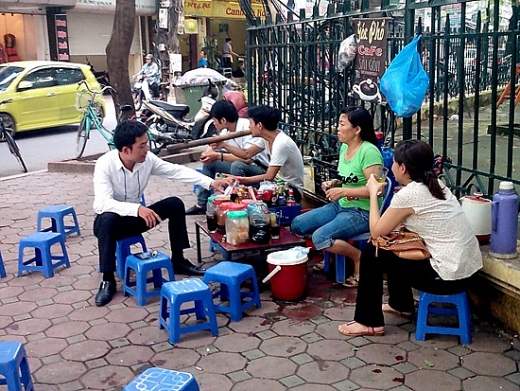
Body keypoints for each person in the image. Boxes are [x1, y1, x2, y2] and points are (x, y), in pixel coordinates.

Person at [338, 140, 483, 337]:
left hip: (447, 278)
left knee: (373, 252)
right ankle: (401, 305)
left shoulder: (410, 194)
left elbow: (376, 232)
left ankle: (368, 322)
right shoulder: (436, 184)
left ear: (403, 168)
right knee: (394, 245)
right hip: (469, 271)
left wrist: (373, 194)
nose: (391, 167)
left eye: (395, 163)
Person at [92, 121, 232, 306]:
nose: (146, 149)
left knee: (174, 204)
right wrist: (137, 209)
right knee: (108, 218)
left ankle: (179, 260)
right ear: (126, 150)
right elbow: (102, 203)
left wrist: (209, 183)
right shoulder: (105, 164)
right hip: (109, 226)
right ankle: (107, 279)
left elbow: (175, 170)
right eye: (142, 146)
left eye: (147, 144)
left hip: (136, 220)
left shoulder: (147, 160)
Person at [290, 107, 383, 287]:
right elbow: (350, 179)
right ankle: (332, 252)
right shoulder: (344, 148)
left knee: (319, 237)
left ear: (357, 130)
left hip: (362, 211)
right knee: (297, 224)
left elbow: (377, 190)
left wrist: (344, 191)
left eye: (342, 124)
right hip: (341, 205)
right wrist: (335, 183)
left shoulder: (369, 152)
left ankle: (358, 258)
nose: (337, 129)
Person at [186, 100, 270, 215]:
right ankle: (201, 204)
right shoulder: (226, 130)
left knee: (237, 166)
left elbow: (247, 158)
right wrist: (208, 153)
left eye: (215, 121)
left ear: (223, 120)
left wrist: (218, 155)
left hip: (260, 168)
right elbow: (214, 145)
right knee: (209, 163)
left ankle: (238, 205)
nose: (214, 124)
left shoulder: (248, 127)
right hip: (245, 165)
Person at [213, 105, 304, 201]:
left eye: (251, 123)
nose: (249, 126)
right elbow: (246, 153)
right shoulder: (266, 139)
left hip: (291, 190)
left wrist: (243, 180)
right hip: (278, 184)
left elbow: (269, 176)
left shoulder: (281, 143)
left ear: (259, 126)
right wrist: (223, 145)